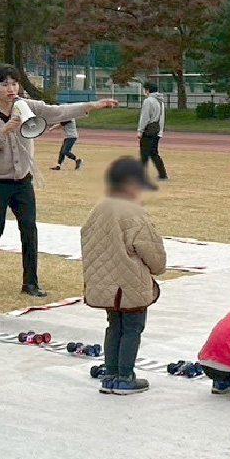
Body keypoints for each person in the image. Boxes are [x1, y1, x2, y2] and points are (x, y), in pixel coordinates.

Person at [0, 65, 117, 298]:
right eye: (5, 84)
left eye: (14, 83)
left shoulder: (26, 105)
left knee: (29, 229)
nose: (11, 89)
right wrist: (5, 129)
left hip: (22, 181)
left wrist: (93, 105)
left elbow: (58, 112)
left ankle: (30, 283)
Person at [80, 158, 167, 395]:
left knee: (114, 326)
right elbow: (154, 255)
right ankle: (125, 376)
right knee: (132, 328)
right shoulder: (133, 211)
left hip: (107, 284)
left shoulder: (99, 208)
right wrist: (156, 268)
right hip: (130, 284)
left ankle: (110, 374)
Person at [138, 81, 168, 181]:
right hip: (157, 130)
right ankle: (162, 174)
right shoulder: (160, 101)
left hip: (148, 130)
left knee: (144, 153)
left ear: (147, 90)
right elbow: (162, 117)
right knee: (154, 153)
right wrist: (160, 131)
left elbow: (145, 117)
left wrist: (140, 130)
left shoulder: (148, 101)